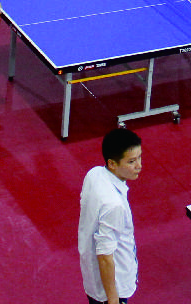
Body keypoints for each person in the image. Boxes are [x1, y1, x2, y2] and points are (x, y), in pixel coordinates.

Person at [79, 128, 143, 304]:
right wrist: (113, 300)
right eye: (131, 161)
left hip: (93, 280)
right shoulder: (114, 206)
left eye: (139, 157)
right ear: (112, 164)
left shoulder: (94, 174)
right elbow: (105, 257)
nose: (139, 165)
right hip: (113, 289)